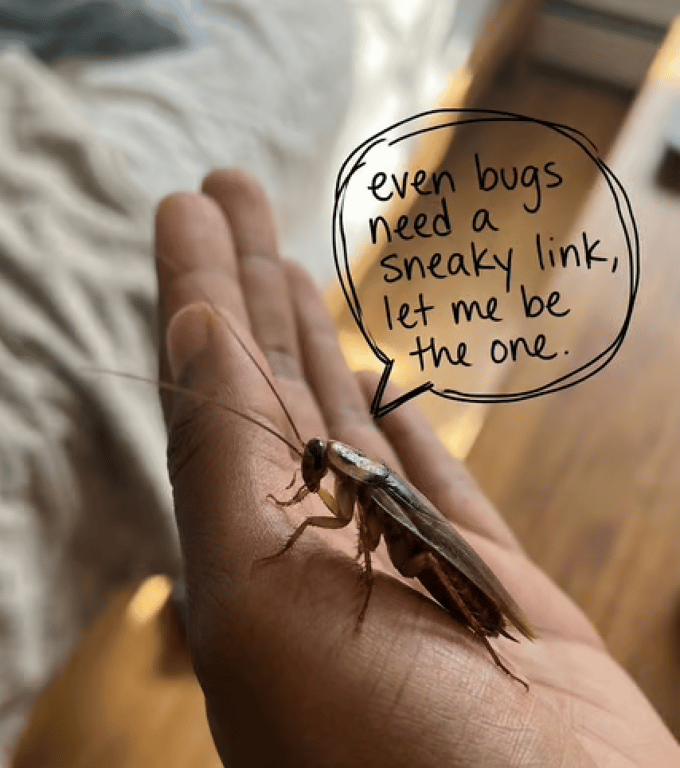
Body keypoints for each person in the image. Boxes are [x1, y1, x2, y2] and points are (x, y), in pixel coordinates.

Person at [155, 168, 679, 767]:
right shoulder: (362, 482)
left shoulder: (369, 489)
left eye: (317, 465)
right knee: (414, 556)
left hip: (460, 585)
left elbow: (388, 545)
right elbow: (345, 523)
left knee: (423, 558)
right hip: (440, 567)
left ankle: (493, 642)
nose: (313, 473)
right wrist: (295, 513)